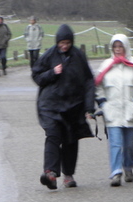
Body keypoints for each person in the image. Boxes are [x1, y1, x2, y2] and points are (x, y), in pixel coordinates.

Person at [32, 24, 95, 189]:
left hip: (73, 107)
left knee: (71, 140)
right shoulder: (49, 55)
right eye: (61, 43)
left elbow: (89, 82)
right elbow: (36, 76)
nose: (64, 46)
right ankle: (50, 173)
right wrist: (52, 72)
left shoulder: (79, 57)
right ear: (57, 42)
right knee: (53, 136)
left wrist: (89, 107)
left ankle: (68, 175)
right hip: (51, 105)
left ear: (72, 41)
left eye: (67, 42)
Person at [95, 34, 133, 187]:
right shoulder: (106, 65)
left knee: (129, 143)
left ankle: (128, 167)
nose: (118, 50)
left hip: (131, 109)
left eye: (120, 46)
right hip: (112, 110)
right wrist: (103, 104)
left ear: (126, 47)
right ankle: (116, 172)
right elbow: (98, 86)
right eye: (115, 47)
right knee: (115, 142)